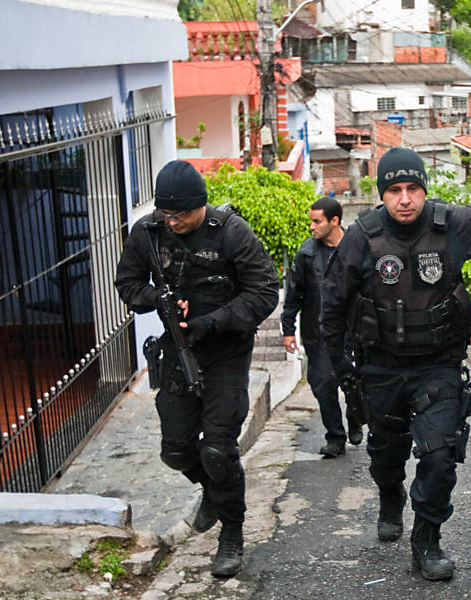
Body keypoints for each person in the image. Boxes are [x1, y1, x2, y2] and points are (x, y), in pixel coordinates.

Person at [321, 147, 471, 581]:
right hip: (380, 367)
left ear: (424, 189)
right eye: (394, 190)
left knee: (440, 456)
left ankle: (427, 540)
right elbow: (332, 305)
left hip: (438, 365)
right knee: (386, 457)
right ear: (381, 194)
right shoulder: (362, 236)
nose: (405, 199)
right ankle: (391, 495)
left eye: (413, 189)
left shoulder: (453, 224)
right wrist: (342, 368)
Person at [114, 160, 279, 578]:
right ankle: (212, 491)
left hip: (224, 353)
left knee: (218, 450)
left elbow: (264, 292)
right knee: (176, 451)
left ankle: (232, 532)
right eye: (167, 215)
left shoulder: (230, 232)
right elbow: (127, 284)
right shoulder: (148, 234)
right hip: (176, 351)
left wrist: (211, 320)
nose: (174, 223)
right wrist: (158, 299)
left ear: (200, 206)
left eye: (181, 215)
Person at [281, 196, 363, 457]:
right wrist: (288, 329)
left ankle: (355, 417)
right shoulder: (307, 254)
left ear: (334, 221)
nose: (312, 227)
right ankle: (335, 437)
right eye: (311, 221)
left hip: (356, 332)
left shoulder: (358, 246)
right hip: (319, 334)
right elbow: (294, 293)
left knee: (355, 383)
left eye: (317, 221)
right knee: (323, 386)